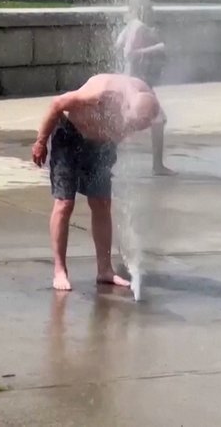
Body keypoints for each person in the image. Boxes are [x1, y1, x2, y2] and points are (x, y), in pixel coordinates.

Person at [31, 73, 160, 291]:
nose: (135, 128)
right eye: (134, 124)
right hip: (70, 137)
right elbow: (57, 104)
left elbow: (143, 120)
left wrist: (124, 132)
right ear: (125, 107)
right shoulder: (100, 95)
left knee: (101, 202)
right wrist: (41, 142)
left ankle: (105, 270)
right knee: (64, 203)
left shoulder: (144, 97)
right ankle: (60, 270)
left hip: (100, 146)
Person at [115, 0, 175, 176]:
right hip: (137, 82)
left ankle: (103, 163)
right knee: (158, 119)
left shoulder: (130, 26)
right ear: (141, 9)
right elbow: (129, 54)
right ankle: (158, 166)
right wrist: (157, 48)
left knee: (122, 121)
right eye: (148, 8)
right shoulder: (139, 26)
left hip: (129, 79)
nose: (151, 11)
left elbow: (118, 46)